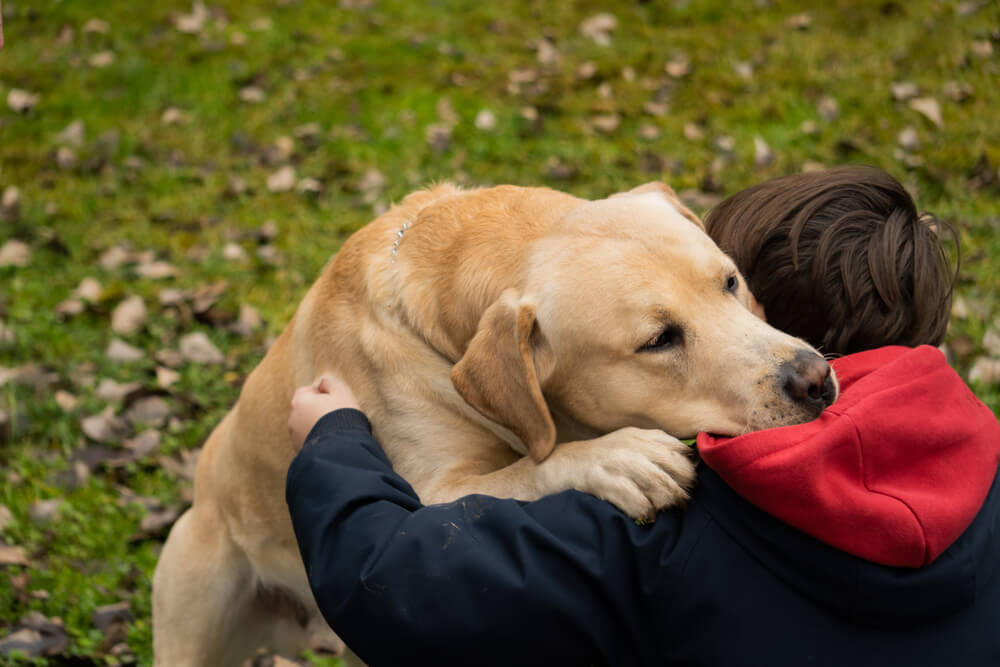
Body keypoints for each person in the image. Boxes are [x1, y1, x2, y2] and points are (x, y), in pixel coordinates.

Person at [285, 167, 1000, 666]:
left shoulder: (659, 524)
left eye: (730, 286)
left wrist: (333, 439)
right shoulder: (985, 458)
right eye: (667, 335)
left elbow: (397, 584)